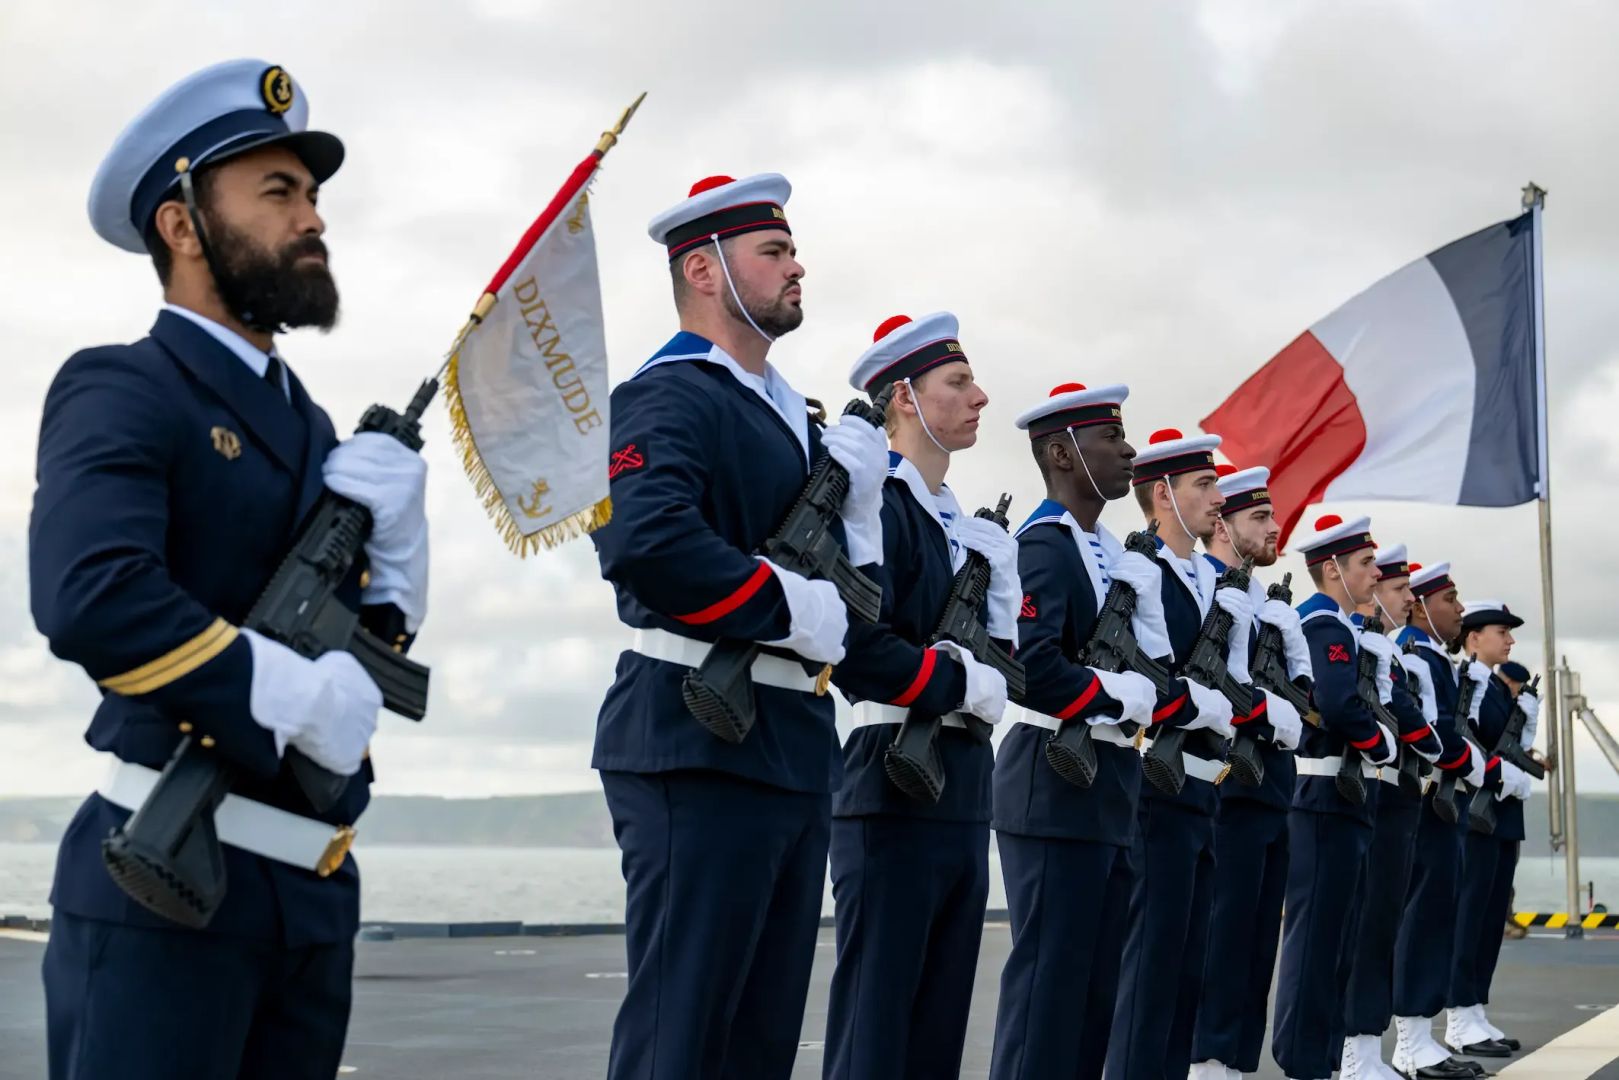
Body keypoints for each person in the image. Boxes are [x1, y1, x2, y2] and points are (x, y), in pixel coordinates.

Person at [32, 59, 428, 1080]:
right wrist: (284, 693)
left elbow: (360, 660)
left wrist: (397, 563)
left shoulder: (312, 428)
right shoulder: (125, 384)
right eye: (278, 192)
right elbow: (92, 596)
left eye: (313, 196)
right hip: (166, 878)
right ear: (181, 222)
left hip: (305, 898)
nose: (313, 220)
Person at [590, 173, 889, 1080]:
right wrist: (783, 605)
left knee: (757, 1038)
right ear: (705, 271)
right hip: (691, 735)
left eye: (791, 249)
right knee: (681, 1032)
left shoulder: (792, 417)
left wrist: (864, 511)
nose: (797, 266)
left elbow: (850, 605)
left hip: (792, 741)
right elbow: (645, 544)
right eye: (774, 251)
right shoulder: (671, 393)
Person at [820, 312, 1014, 1079]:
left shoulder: (961, 527)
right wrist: (962, 680)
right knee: (878, 1016)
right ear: (902, 395)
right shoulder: (879, 504)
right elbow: (860, 644)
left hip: (963, 780)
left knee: (937, 1021)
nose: (978, 398)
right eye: (957, 383)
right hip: (889, 770)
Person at [987, 382, 1166, 1080]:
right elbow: (1029, 666)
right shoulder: (1042, 546)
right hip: (1050, 779)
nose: (1127, 451)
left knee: (1095, 991)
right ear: (1062, 453)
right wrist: (1115, 695)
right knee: (1048, 986)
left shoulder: (1102, 552)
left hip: (1104, 782)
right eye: (1109, 440)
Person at [1107, 429, 1248, 1080]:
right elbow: (1143, 677)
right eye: (1204, 485)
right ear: (1161, 494)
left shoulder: (1204, 580)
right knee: (1149, 966)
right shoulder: (1140, 571)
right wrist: (1201, 704)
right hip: (1153, 787)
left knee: (1184, 968)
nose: (1218, 498)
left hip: (1199, 788)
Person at [1190, 465, 1307, 1080]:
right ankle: (1205, 1064)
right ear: (1222, 524)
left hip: (1271, 789)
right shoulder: (1204, 587)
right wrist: (1270, 711)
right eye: (1259, 518)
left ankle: (1233, 1064)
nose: (1274, 527)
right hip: (1224, 787)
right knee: (1220, 941)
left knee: (1258, 945)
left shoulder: (1268, 604)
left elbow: (1304, 701)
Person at [1271, 514, 1398, 1080]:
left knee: (1339, 941)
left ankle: (1320, 1062)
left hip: (1344, 795)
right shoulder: (1322, 625)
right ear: (1332, 571)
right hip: (1323, 795)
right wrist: (1385, 746)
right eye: (1366, 564)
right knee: (1317, 942)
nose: (1375, 573)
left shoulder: (1342, 625)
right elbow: (1339, 704)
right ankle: (1304, 1062)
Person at [1339, 545, 1445, 1079]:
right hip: (1373, 792)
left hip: (1398, 795)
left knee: (1381, 924)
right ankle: (1356, 1050)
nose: (1409, 599)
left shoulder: (1389, 650)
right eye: (1399, 589)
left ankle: (1372, 1047)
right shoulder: (1363, 644)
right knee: (1365, 926)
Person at [1390, 562, 1491, 1079]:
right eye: (1449, 599)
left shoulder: (1435, 658)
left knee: (1435, 915)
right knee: (1422, 916)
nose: (1459, 609)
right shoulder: (1415, 655)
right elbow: (1428, 731)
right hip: (1428, 799)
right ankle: (1409, 1043)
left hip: (1440, 801)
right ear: (1423, 606)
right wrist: (1471, 760)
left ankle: (1421, 1036)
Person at [1443, 602, 1534, 1060]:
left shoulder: (1497, 688)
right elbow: (1465, 742)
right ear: (1474, 637)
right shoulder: (1469, 685)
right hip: (1477, 815)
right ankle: (1458, 1017)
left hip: (1502, 817)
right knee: (1470, 917)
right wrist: (1499, 772)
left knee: (1491, 919)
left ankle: (1476, 1008)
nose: (1510, 640)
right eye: (1502, 632)